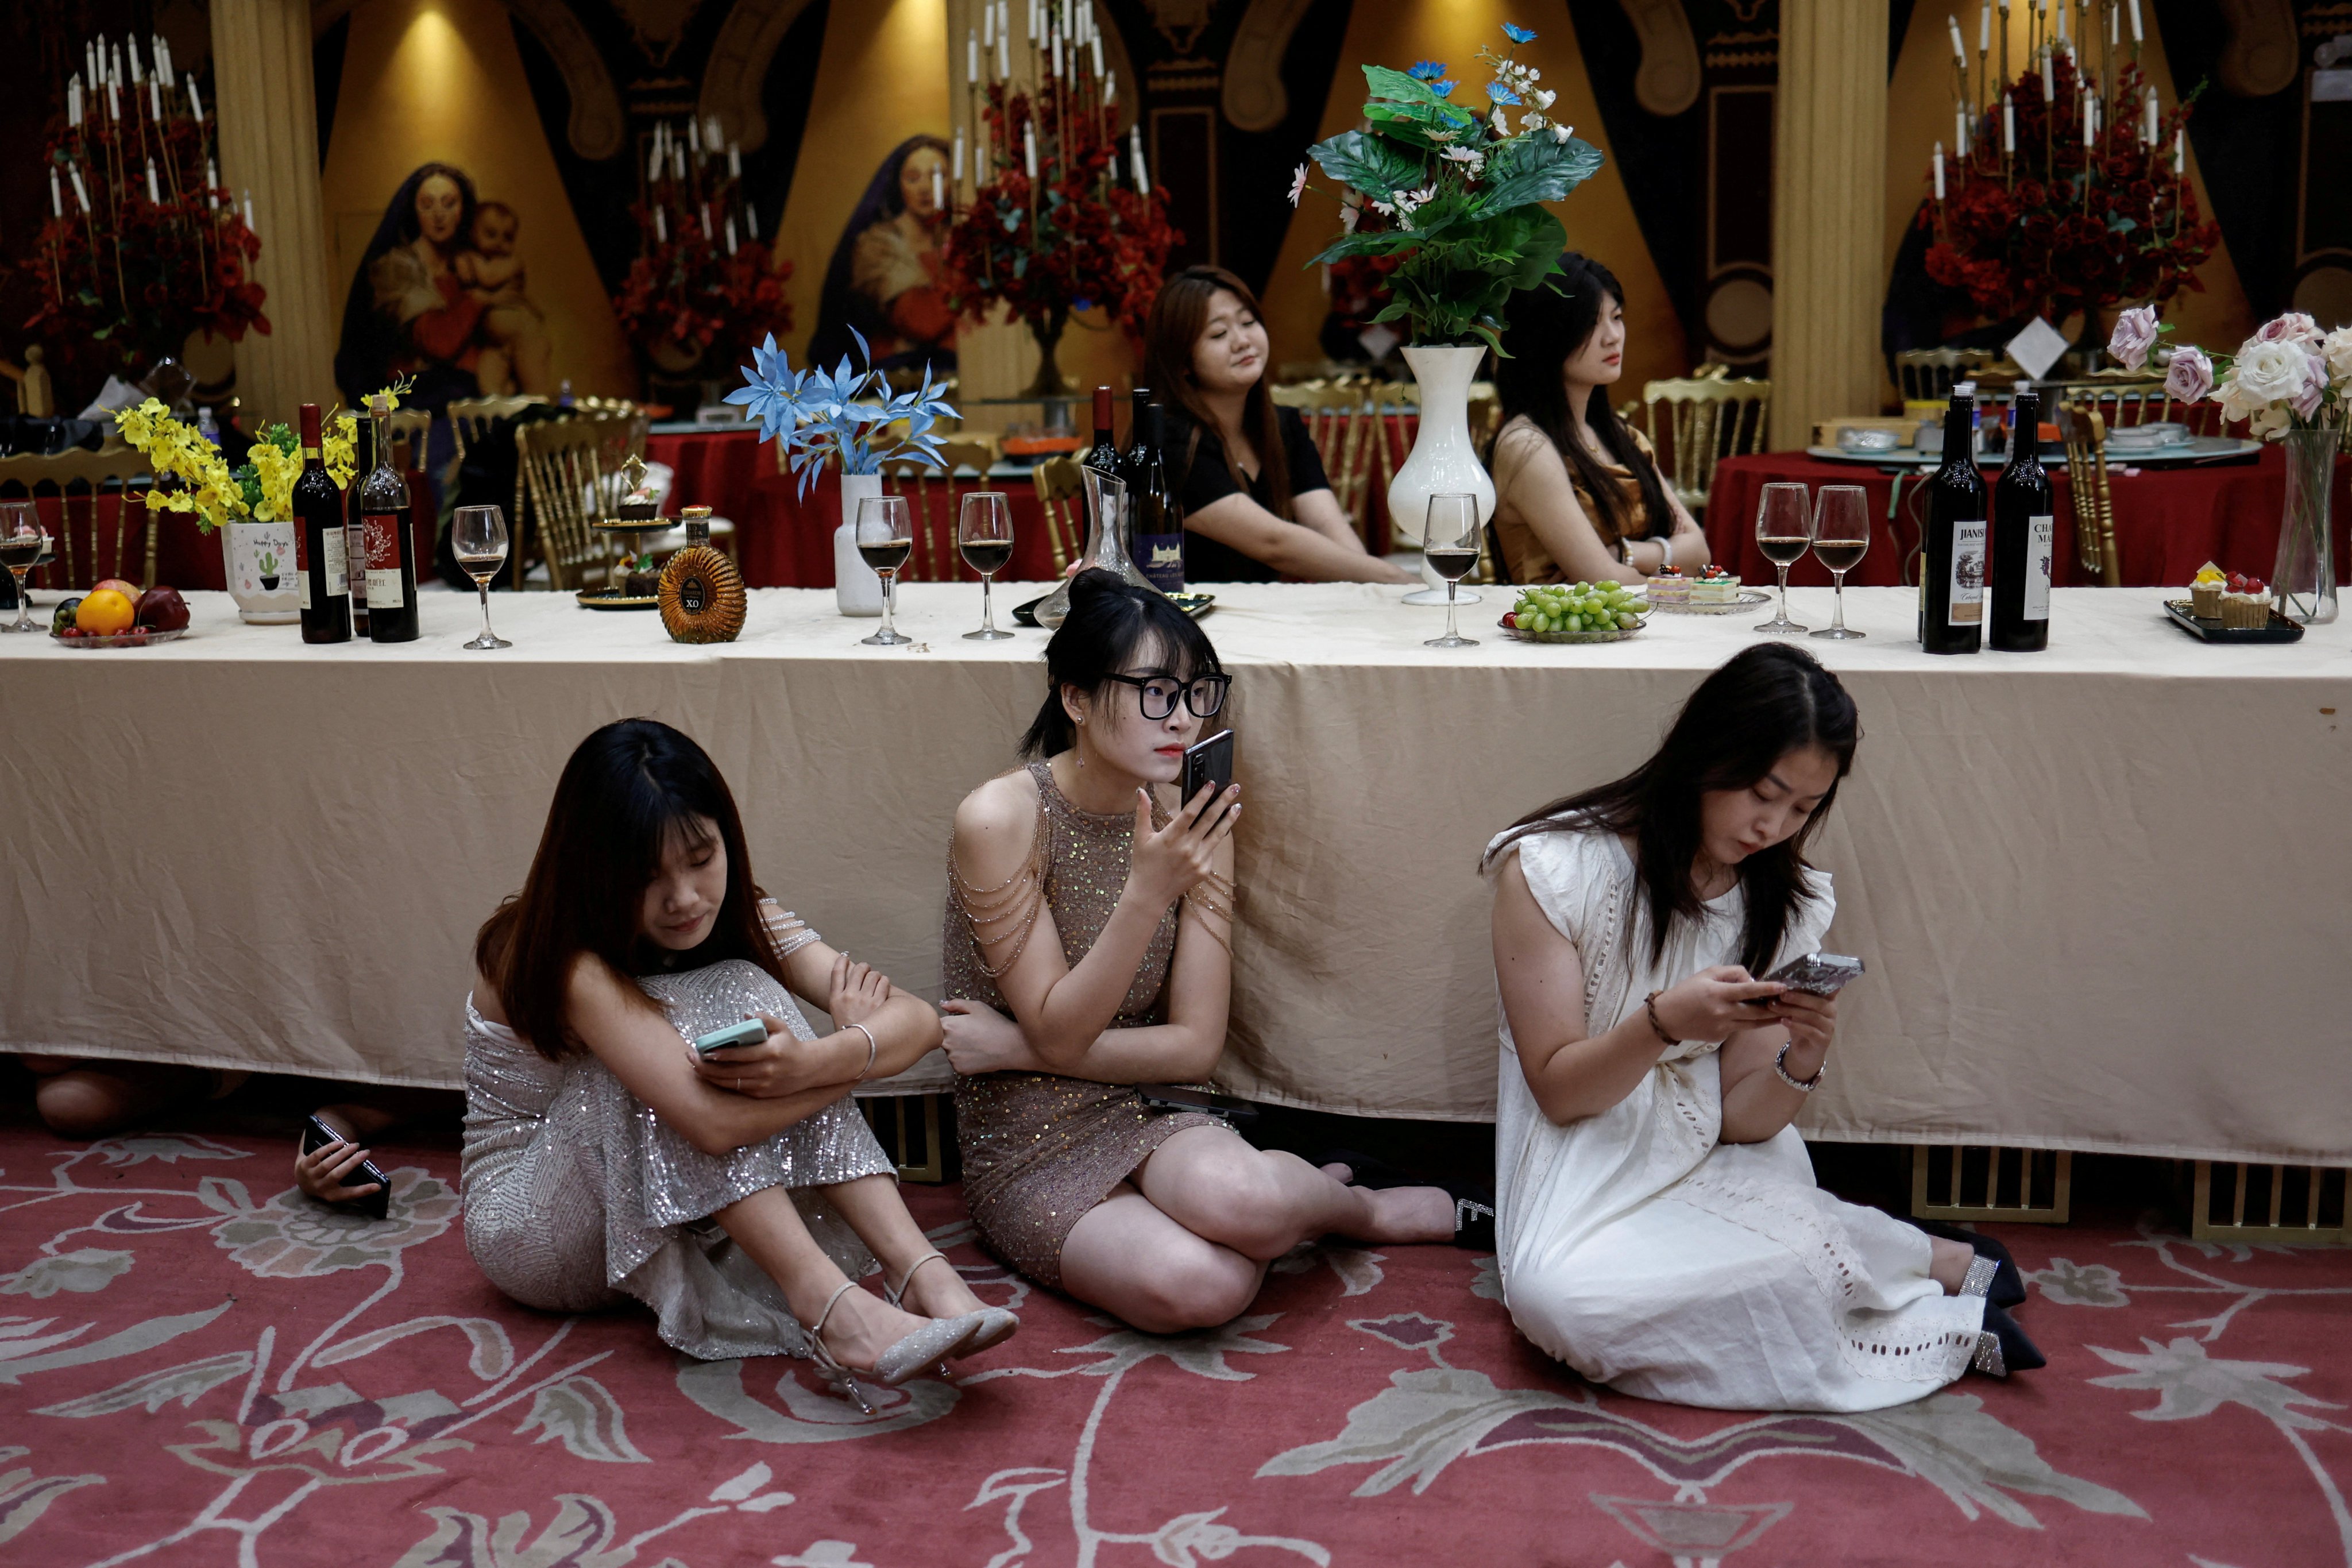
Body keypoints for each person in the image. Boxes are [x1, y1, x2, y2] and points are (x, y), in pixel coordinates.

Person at [1482, 643, 2038, 1411]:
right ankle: (1904, 1265)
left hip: (1710, 1149)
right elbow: (1557, 1091)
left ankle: (1862, 1262)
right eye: (1761, 793)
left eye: (1803, 808)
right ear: (1706, 753)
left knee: (1722, 1269)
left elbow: (1742, 1126)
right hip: (1583, 1150)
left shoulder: (1784, 900)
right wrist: (1659, 1024)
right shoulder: (1552, 868)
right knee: (1560, 1304)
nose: (1772, 826)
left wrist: (1799, 1061)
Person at [937, 570, 1459, 1333]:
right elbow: (1060, 1028)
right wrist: (1146, 893)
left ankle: (1355, 1208)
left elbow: (1193, 1047)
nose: (1179, 718)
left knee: (1242, 1204)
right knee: (1202, 1287)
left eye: (1195, 693)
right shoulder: (1001, 817)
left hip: (1147, 1103)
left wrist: (1014, 1046)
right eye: (1152, 691)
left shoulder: (1197, 813)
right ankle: (1287, 1208)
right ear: (1075, 698)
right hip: (1024, 1139)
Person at [458, 718, 1014, 1411]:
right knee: (663, 1037)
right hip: (537, 1226)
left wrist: (820, 1059)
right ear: (592, 869)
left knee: (742, 990)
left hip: (660, 1209)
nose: (685, 897)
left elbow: (918, 1021)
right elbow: (710, 1124)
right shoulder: (552, 951)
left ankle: (921, 1272)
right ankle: (832, 1310)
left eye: (700, 858)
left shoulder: (740, 913)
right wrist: (828, 1067)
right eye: (647, 877)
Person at [1142, 265, 1415, 585]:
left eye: (1248, 322)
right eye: (1219, 334)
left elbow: (1330, 527)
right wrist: (1395, 578)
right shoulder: (1172, 442)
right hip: (1186, 622)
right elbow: (1274, 544)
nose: (1242, 341)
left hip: (1260, 616)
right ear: (1183, 361)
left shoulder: (1282, 426)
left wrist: (1371, 586)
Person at [1487, 254, 1711, 587]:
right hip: (1558, 632)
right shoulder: (1527, 446)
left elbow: (1700, 554)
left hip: (1635, 625)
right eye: (1592, 323)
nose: (1613, 337)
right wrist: (1666, 562)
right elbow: (1606, 582)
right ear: (1548, 336)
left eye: (1617, 317)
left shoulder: (1621, 435)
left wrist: (1625, 554)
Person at [806, 136, 956, 373]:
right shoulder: (878, 245)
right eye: (913, 178)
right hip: (896, 377)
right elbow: (922, 323)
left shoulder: (967, 238)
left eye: (938, 177)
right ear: (899, 184)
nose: (926, 188)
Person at [454, 200, 552, 395]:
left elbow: (489, 278)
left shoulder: (512, 262)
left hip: (525, 336)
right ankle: (511, 397)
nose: (499, 242)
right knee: (489, 390)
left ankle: (542, 418)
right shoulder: (474, 260)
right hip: (496, 344)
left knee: (537, 391)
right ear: (473, 234)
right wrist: (463, 259)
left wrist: (470, 259)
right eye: (491, 234)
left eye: (507, 238)